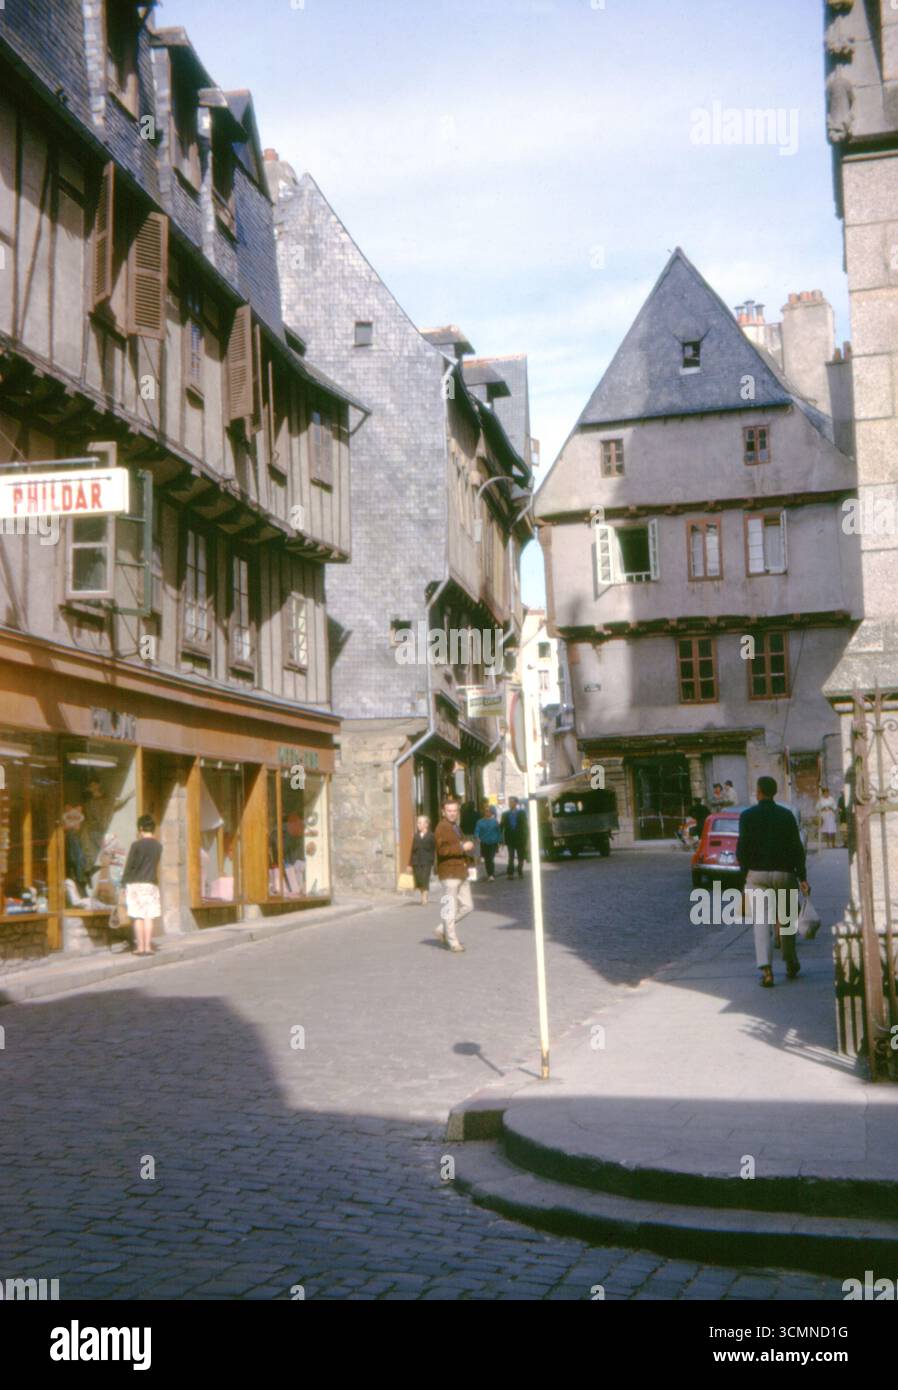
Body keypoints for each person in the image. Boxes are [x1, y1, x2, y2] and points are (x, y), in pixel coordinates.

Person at [736, 777, 810, 988]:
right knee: (786, 922)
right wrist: (802, 876)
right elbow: (797, 849)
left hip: (757, 874)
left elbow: (742, 849)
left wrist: (745, 873)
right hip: (784, 873)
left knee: (761, 922)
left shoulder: (747, 816)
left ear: (758, 792)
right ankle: (790, 962)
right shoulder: (786, 816)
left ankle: (766, 970)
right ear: (775, 792)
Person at [433, 798, 474, 952]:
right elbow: (442, 850)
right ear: (444, 812)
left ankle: (442, 928)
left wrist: (469, 857)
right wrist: (462, 846)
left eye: (455, 811)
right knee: (449, 908)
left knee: (468, 906)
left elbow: (460, 844)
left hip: (461, 872)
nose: (452, 814)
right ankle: (453, 941)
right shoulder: (441, 827)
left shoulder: (455, 826)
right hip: (449, 873)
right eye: (449, 811)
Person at [121, 813, 163, 956]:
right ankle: (148, 947)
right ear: (153, 828)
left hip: (134, 884)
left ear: (140, 828)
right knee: (148, 916)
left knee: (137, 916)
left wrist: (123, 884)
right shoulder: (158, 846)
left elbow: (129, 866)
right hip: (150, 883)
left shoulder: (136, 845)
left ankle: (140, 947)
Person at [407, 815, 435, 904]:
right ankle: (422, 893)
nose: (418, 825)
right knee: (419, 879)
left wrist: (433, 862)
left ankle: (424, 897)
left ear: (426, 824)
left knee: (425, 878)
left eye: (420, 823)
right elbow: (413, 850)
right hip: (416, 861)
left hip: (427, 861)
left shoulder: (431, 836)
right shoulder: (416, 836)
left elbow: (433, 849)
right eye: (418, 823)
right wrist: (409, 864)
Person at [501, 796, 529, 878]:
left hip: (520, 838)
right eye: (509, 802)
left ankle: (520, 870)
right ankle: (510, 873)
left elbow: (525, 826)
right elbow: (502, 826)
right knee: (511, 856)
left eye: (512, 802)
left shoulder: (522, 813)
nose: (510, 804)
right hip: (510, 838)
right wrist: (500, 838)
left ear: (516, 803)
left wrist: (527, 838)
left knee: (520, 856)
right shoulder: (505, 814)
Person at [474, 803, 502, 881]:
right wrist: (477, 837)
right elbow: (477, 831)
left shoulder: (494, 822)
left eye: (489, 811)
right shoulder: (480, 822)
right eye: (486, 811)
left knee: (491, 858)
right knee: (487, 859)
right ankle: (489, 874)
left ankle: (491, 875)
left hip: (493, 843)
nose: (487, 813)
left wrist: (500, 841)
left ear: (491, 813)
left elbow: (498, 832)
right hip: (484, 843)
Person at [817, 786, 838, 850]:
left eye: (827, 792)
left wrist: (831, 808)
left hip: (831, 814)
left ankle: (833, 843)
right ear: (823, 793)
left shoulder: (831, 799)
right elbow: (817, 807)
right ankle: (828, 844)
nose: (827, 794)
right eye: (825, 793)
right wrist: (822, 808)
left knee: (832, 830)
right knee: (826, 830)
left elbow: (835, 807)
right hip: (824, 815)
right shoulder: (821, 799)